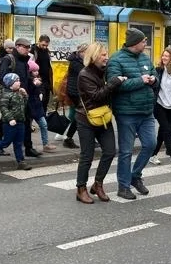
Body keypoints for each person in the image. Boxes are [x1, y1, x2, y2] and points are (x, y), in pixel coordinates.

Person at [107, 28, 158, 200]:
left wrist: (153, 79)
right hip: (126, 112)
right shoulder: (116, 60)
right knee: (126, 151)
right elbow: (115, 84)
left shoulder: (145, 57)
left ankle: (135, 175)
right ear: (135, 43)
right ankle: (123, 186)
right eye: (144, 41)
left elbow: (154, 73)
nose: (146, 43)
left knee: (151, 144)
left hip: (146, 111)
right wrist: (140, 81)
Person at [73, 43, 125, 204]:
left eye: (106, 54)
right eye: (103, 55)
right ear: (94, 56)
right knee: (87, 156)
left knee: (110, 151)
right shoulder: (85, 74)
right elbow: (96, 96)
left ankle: (98, 184)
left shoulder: (105, 71)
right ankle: (81, 189)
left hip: (104, 117)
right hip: (86, 119)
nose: (106, 57)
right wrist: (114, 82)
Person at [0, 38, 40, 158]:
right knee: (4, 121)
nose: (28, 50)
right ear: (17, 47)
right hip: (10, 95)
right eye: (25, 47)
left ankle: (28, 147)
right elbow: (2, 77)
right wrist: (14, 90)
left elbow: (25, 76)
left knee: (26, 119)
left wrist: (32, 80)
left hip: (23, 96)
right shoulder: (8, 59)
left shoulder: (24, 61)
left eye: (29, 47)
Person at [0, 73, 31, 170]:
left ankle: (21, 161)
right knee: (6, 142)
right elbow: (4, 109)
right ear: (10, 84)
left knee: (18, 143)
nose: (19, 82)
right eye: (16, 81)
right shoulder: (5, 95)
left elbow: (23, 105)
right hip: (10, 123)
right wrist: (10, 119)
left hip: (20, 122)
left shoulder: (19, 93)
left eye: (19, 80)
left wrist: (25, 96)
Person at [59, 43, 88, 149]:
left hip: (78, 91)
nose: (87, 54)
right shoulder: (76, 63)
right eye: (86, 52)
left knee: (80, 115)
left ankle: (69, 138)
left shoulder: (80, 61)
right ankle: (69, 138)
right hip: (76, 92)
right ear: (80, 52)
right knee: (81, 115)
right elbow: (85, 73)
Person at [28, 58, 56, 152]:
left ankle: (45, 144)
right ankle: (26, 144)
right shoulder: (28, 80)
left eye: (37, 71)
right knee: (27, 126)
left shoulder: (39, 79)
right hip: (30, 106)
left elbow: (42, 88)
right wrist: (34, 85)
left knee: (43, 124)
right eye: (34, 71)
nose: (36, 72)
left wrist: (41, 92)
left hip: (37, 106)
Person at [30, 34, 53, 110]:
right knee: (39, 101)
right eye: (43, 45)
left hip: (47, 80)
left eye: (46, 45)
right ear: (39, 41)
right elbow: (29, 64)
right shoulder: (33, 51)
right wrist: (34, 77)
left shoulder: (47, 51)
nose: (45, 47)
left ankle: (44, 118)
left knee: (46, 101)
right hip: (37, 79)